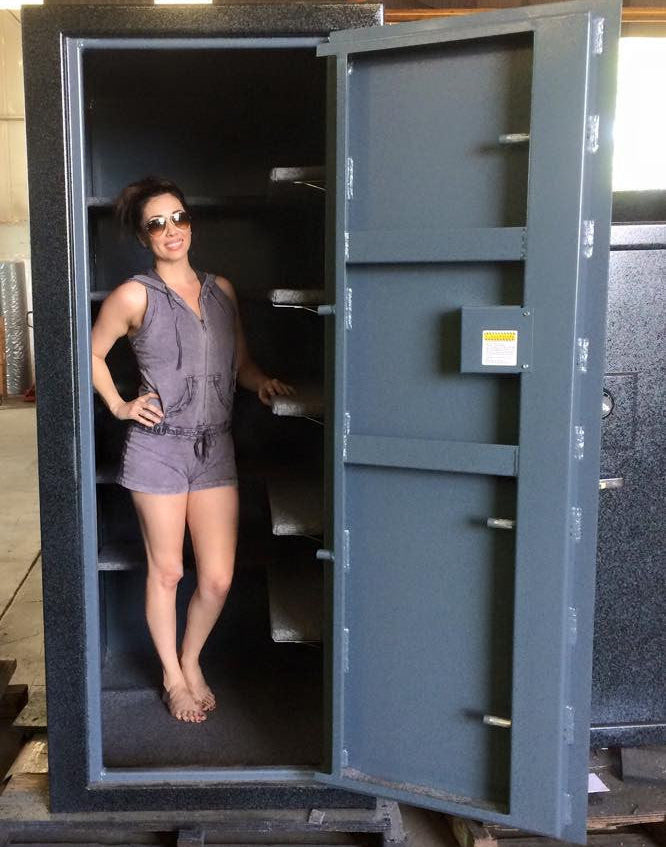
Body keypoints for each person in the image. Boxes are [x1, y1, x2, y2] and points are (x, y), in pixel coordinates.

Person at [91, 176, 294, 723]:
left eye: (177, 217)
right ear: (143, 236)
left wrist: (261, 383)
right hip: (157, 450)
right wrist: (118, 405)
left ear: (190, 223)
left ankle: (191, 656)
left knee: (217, 578)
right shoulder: (134, 295)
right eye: (156, 224)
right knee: (167, 573)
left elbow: (238, 364)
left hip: (214, 450)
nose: (170, 230)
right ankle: (173, 676)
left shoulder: (221, 291)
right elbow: (91, 353)